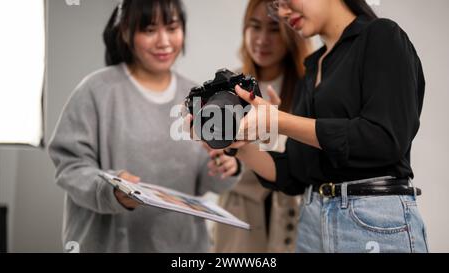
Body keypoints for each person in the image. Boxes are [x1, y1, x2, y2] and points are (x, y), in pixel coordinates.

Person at [212, 0, 428, 253]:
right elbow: (295, 173)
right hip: (312, 220)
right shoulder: (313, 68)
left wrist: (279, 121)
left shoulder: (381, 36)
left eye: (284, 2)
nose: (282, 13)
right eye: (276, 6)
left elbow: (383, 138)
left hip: (372, 221)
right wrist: (236, 144)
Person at [48, 0, 239, 253]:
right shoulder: (96, 91)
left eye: (172, 28)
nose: (164, 41)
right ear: (126, 32)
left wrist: (225, 165)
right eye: (149, 30)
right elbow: (70, 167)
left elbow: (207, 180)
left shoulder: (199, 98)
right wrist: (111, 190)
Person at [213, 0, 311, 253]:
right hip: (238, 219)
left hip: (292, 217)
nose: (262, 39)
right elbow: (215, 159)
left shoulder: (307, 87)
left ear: (292, 32)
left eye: (275, 29)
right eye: (254, 27)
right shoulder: (226, 86)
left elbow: (305, 159)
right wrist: (225, 161)